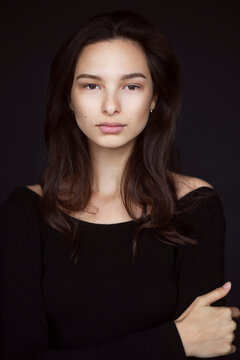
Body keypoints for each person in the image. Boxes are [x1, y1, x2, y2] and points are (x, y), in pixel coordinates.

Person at [0, 9, 239, 360]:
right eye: (92, 85)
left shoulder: (195, 206)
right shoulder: (26, 212)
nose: (111, 106)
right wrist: (174, 342)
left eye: (131, 86)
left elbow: (210, 346)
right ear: (69, 97)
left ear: (155, 97)